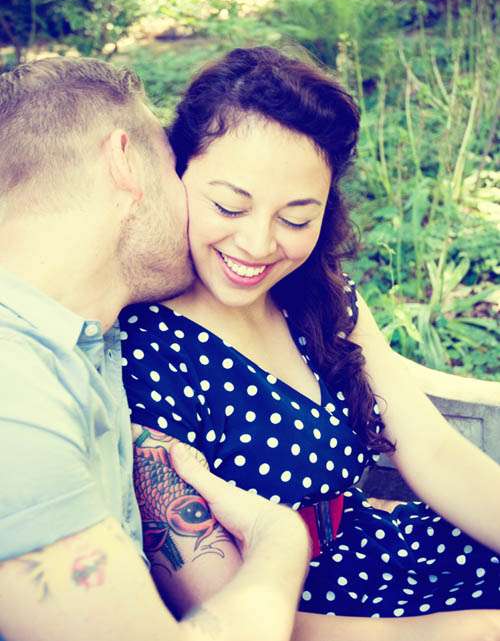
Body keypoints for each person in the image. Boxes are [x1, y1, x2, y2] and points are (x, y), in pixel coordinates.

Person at [121, 46, 500, 641]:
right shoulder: (148, 349)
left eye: (296, 218)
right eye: (229, 206)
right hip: (316, 616)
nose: (257, 245)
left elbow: (432, 451)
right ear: (177, 172)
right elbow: (232, 616)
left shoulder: (315, 294)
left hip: (395, 557)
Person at [0, 57, 311, 641]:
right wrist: (280, 538)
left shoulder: (84, 348)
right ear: (124, 162)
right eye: (173, 167)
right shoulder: (15, 394)